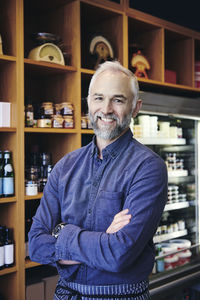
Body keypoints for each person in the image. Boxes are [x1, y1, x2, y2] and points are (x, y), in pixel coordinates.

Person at [28, 61, 168, 300]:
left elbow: (118, 254)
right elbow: (36, 246)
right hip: (66, 294)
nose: (106, 109)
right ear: (88, 103)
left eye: (118, 100)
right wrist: (103, 237)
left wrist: (63, 233)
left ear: (136, 108)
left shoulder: (148, 167)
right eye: (99, 98)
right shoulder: (65, 166)